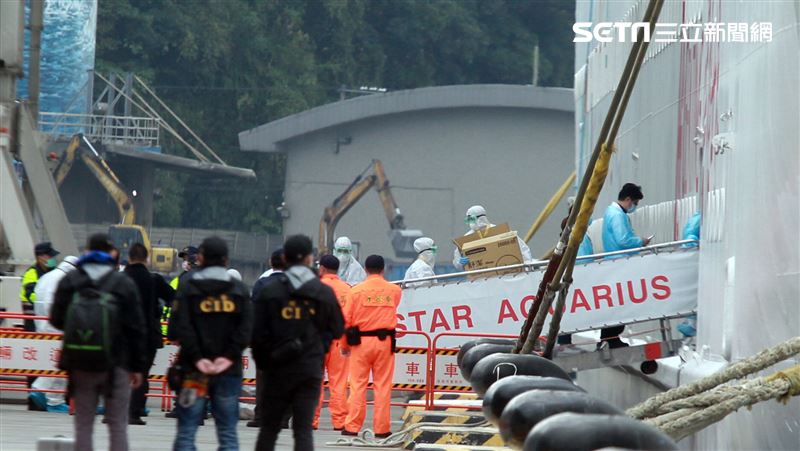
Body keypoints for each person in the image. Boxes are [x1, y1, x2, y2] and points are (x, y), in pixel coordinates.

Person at [50, 233, 147, 451]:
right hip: (118, 364)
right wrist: (138, 366)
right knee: (117, 425)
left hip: (81, 362)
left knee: (83, 424)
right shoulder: (122, 282)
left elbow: (56, 319)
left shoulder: (71, 280)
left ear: (87, 251)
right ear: (111, 253)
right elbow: (137, 328)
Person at [252, 235, 344, 451]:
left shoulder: (270, 290)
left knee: (269, 429)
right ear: (311, 258)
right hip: (309, 370)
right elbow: (338, 328)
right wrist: (319, 347)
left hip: (277, 370)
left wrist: (266, 362)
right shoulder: (323, 292)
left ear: (285, 257)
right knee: (302, 431)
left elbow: (256, 333)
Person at [170, 236, 253, 451]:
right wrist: (228, 356)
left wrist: (198, 358)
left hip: (193, 373)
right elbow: (246, 330)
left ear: (201, 258)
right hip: (228, 372)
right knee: (227, 433)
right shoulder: (239, 290)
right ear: (226, 260)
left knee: (186, 431)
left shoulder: (188, 286)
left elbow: (178, 328)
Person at [342, 255, 402, 438]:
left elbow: (347, 320)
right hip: (385, 344)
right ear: (383, 269)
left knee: (358, 385)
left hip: (360, 344)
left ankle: (352, 427)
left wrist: (345, 345)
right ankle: (382, 429)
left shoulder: (355, 291)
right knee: (383, 386)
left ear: (365, 269)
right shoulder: (394, 290)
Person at [124, 243, 174, 425]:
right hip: (147, 334)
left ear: (129, 257)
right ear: (147, 259)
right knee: (142, 374)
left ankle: (112, 412)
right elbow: (173, 297)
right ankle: (134, 413)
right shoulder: (154, 279)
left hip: (123, 334)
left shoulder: (120, 279)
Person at [599, 183, 650, 349]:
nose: (634, 206)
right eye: (634, 203)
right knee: (620, 304)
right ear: (628, 199)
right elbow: (623, 239)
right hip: (620, 264)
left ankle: (609, 337)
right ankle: (611, 338)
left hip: (615, 262)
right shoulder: (618, 215)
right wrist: (640, 241)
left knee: (615, 303)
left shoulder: (610, 212)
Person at [28, 255, 78, 412]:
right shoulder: (62, 279)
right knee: (59, 364)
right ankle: (53, 400)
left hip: (42, 326)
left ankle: (40, 391)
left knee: (50, 364)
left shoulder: (47, 276)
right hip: (56, 328)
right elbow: (52, 303)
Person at [247, 248, 286, 429]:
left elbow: (254, 312)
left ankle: (261, 417)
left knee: (263, 380)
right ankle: (284, 419)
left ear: (271, 262)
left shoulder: (261, 284)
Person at [312, 255, 352, 431]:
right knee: (339, 382)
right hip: (339, 340)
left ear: (322, 269)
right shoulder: (347, 289)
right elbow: (350, 317)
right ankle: (339, 421)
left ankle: (311, 419)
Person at [452, 205, 533, 270]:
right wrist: (459, 262)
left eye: (472, 219)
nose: (470, 223)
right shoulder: (466, 239)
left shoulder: (501, 232)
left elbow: (522, 249)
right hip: (480, 279)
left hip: (504, 274)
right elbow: (457, 262)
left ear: (481, 217)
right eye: (468, 220)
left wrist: (527, 266)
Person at [20, 242, 59, 332]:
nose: (53, 259)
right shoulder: (31, 274)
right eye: (50, 256)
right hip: (33, 319)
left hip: (48, 318)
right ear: (40, 257)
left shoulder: (54, 272)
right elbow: (31, 295)